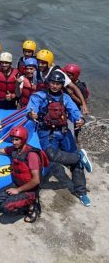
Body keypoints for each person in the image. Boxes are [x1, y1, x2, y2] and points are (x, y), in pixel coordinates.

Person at [27, 70, 92, 207]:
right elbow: (31, 109)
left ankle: (81, 192)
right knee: (50, 155)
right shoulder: (39, 96)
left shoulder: (66, 98)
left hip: (63, 132)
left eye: (58, 83)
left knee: (76, 164)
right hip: (46, 133)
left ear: (62, 85)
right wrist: (31, 113)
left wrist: (79, 119)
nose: (55, 86)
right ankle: (80, 156)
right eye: (52, 82)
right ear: (48, 83)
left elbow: (74, 111)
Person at [0, 125, 48, 223]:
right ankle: (18, 201)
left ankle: (31, 206)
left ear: (23, 139)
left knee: (5, 207)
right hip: (17, 184)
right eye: (13, 139)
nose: (14, 142)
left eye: (17, 140)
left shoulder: (31, 155)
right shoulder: (14, 149)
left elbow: (36, 180)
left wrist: (17, 190)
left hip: (30, 190)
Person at [35, 49, 89, 114]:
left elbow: (74, 87)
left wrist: (84, 104)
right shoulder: (37, 72)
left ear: (49, 63)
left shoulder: (58, 73)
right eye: (38, 62)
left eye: (43, 63)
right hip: (46, 101)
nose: (40, 65)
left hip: (58, 102)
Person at [62, 63, 90, 142]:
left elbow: (83, 102)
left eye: (70, 75)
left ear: (76, 76)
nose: (67, 77)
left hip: (75, 108)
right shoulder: (66, 82)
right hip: (65, 106)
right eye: (66, 74)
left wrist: (72, 95)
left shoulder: (81, 87)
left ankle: (75, 141)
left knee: (75, 127)